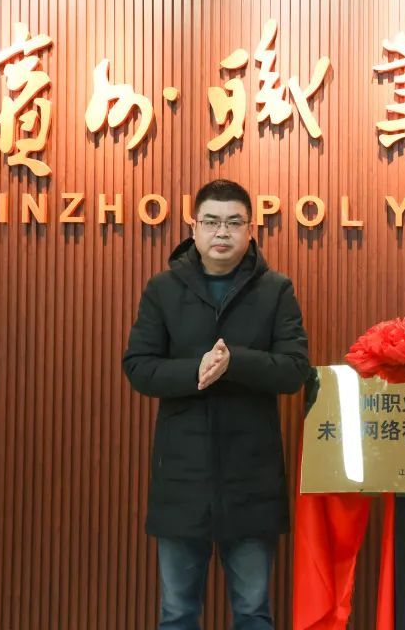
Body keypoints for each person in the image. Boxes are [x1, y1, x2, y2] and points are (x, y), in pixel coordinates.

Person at [123, 178, 310, 630]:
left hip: (252, 478)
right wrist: (196, 370)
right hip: (182, 480)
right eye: (211, 221)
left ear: (250, 229)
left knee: (253, 612)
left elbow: (294, 369)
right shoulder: (163, 289)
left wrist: (235, 362)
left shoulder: (276, 290)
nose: (221, 232)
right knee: (177, 613)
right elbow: (139, 366)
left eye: (233, 222)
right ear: (194, 227)